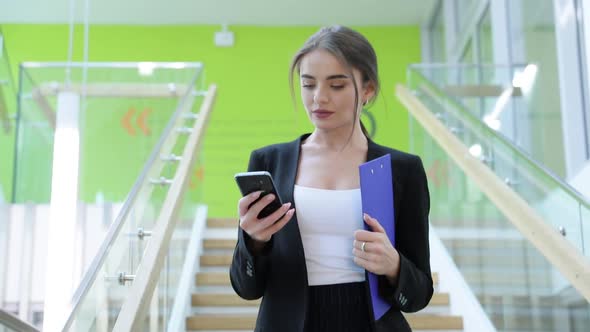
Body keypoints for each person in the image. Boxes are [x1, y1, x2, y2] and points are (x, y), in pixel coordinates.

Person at [230, 25, 432, 332]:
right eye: (308, 84)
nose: (319, 98)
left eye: (337, 85)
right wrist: (254, 242)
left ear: (368, 90)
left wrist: (394, 266)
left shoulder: (402, 170)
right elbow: (246, 288)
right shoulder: (269, 162)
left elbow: (419, 294)